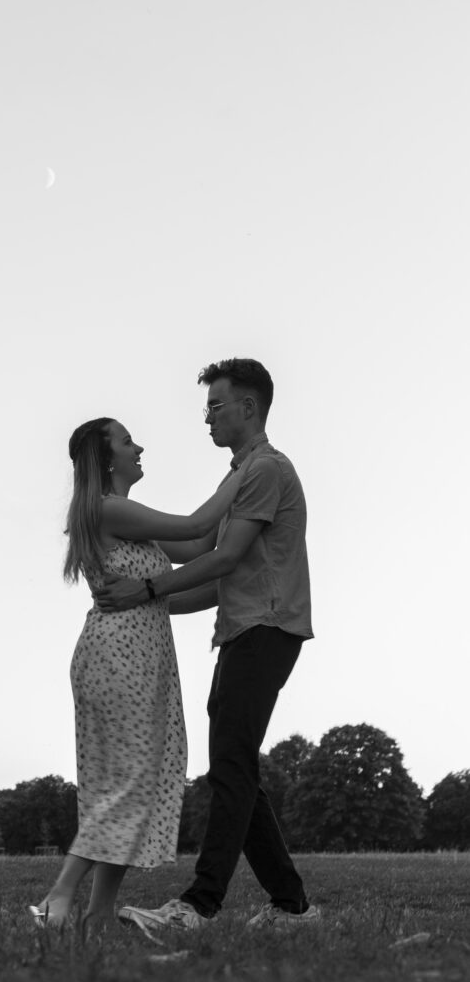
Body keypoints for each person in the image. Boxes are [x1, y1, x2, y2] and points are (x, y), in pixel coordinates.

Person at [95, 358, 319, 934]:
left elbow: (224, 558)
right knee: (234, 767)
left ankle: (198, 906)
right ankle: (291, 907)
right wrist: (140, 593)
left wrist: (145, 589)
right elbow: (204, 561)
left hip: (268, 629)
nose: (208, 418)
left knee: (231, 766)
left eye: (216, 406)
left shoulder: (266, 470)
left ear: (249, 406)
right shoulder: (236, 476)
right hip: (242, 630)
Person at [29, 415, 248, 929]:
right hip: (117, 658)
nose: (139, 447)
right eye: (128, 441)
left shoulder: (127, 520)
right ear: (107, 460)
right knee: (126, 786)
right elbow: (196, 526)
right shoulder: (110, 509)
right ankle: (58, 901)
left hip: (141, 658)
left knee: (135, 786)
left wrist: (234, 564)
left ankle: (99, 913)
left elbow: (197, 551)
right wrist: (245, 470)